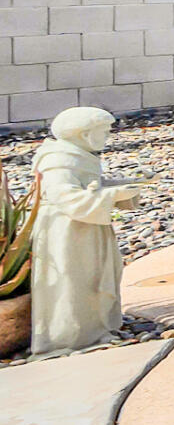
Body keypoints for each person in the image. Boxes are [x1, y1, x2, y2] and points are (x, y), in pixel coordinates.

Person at [32, 106, 137, 354]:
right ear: (83, 134)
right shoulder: (59, 160)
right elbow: (65, 197)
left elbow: (91, 187)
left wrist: (126, 185)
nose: (107, 137)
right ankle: (71, 336)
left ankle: (95, 327)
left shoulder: (79, 154)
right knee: (73, 278)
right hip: (67, 230)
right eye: (103, 132)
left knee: (92, 275)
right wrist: (114, 195)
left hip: (86, 225)